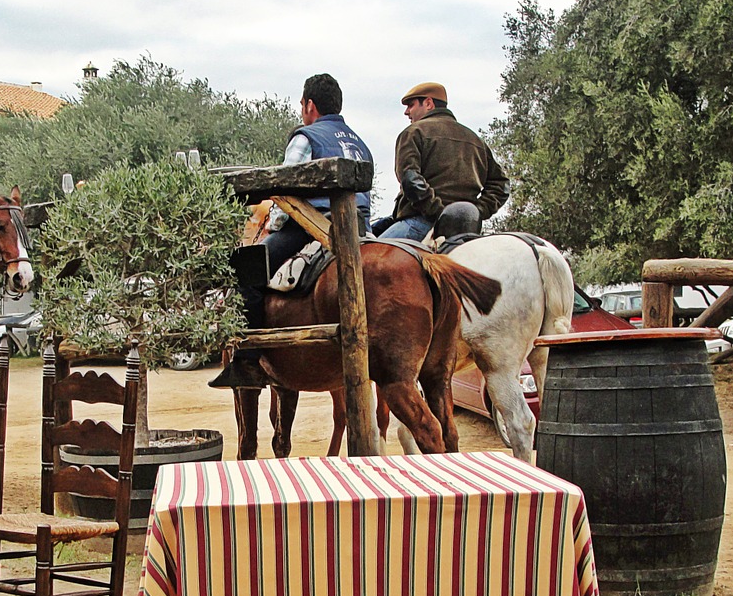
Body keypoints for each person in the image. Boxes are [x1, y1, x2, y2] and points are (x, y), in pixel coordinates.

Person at [209, 73, 374, 389]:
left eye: (302, 105)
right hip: (360, 228)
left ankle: (247, 362)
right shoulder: (359, 142)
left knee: (247, 268)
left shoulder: (306, 138)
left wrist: (273, 226)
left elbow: (286, 194)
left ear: (310, 105)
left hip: (315, 227)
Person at [379, 81, 510, 243]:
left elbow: (410, 179)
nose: (407, 112)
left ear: (428, 103)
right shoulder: (475, 140)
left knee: (362, 260)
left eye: (411, 105)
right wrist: (474, 213)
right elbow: (501, 185)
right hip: (467, 231)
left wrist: (440, 214)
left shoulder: (413, 132)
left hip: (421, 223)